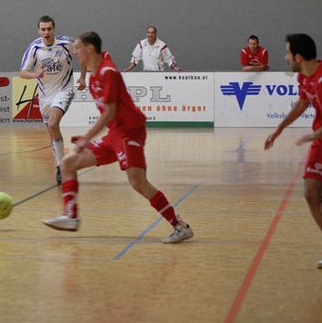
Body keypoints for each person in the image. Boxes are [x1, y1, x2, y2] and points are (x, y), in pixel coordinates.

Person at [42, 31, 194, 244]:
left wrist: (87, 137)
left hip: (130, 132)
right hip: (115, 135)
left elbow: (110, 112)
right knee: (67, 164)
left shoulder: (108, 73)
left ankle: (179, 226)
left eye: (78, 48)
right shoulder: (96, 74)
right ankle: (70, 217)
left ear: (90, 49)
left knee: (138, 182)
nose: (75, 52)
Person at [265, 34, 322, 268]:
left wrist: (314, 134)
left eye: (288, 53)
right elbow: (303, 102)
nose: (286, 57)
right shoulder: (304, 76)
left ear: (298, 57)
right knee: (311, 193)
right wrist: (279, 129)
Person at [19, 15, 86, 184]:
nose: (46, 32)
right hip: (45, 95)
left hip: (64, 89)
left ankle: (63, 166)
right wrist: (35, 74)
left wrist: (83, 78)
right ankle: (59, 166)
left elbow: (84, 55)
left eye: (49, 29)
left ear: (54, 29)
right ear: (39, 30)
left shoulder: (66, 43)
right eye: (43, 29)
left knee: (52, 124)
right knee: (51, 132)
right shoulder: (34, 47)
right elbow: (22, 72)